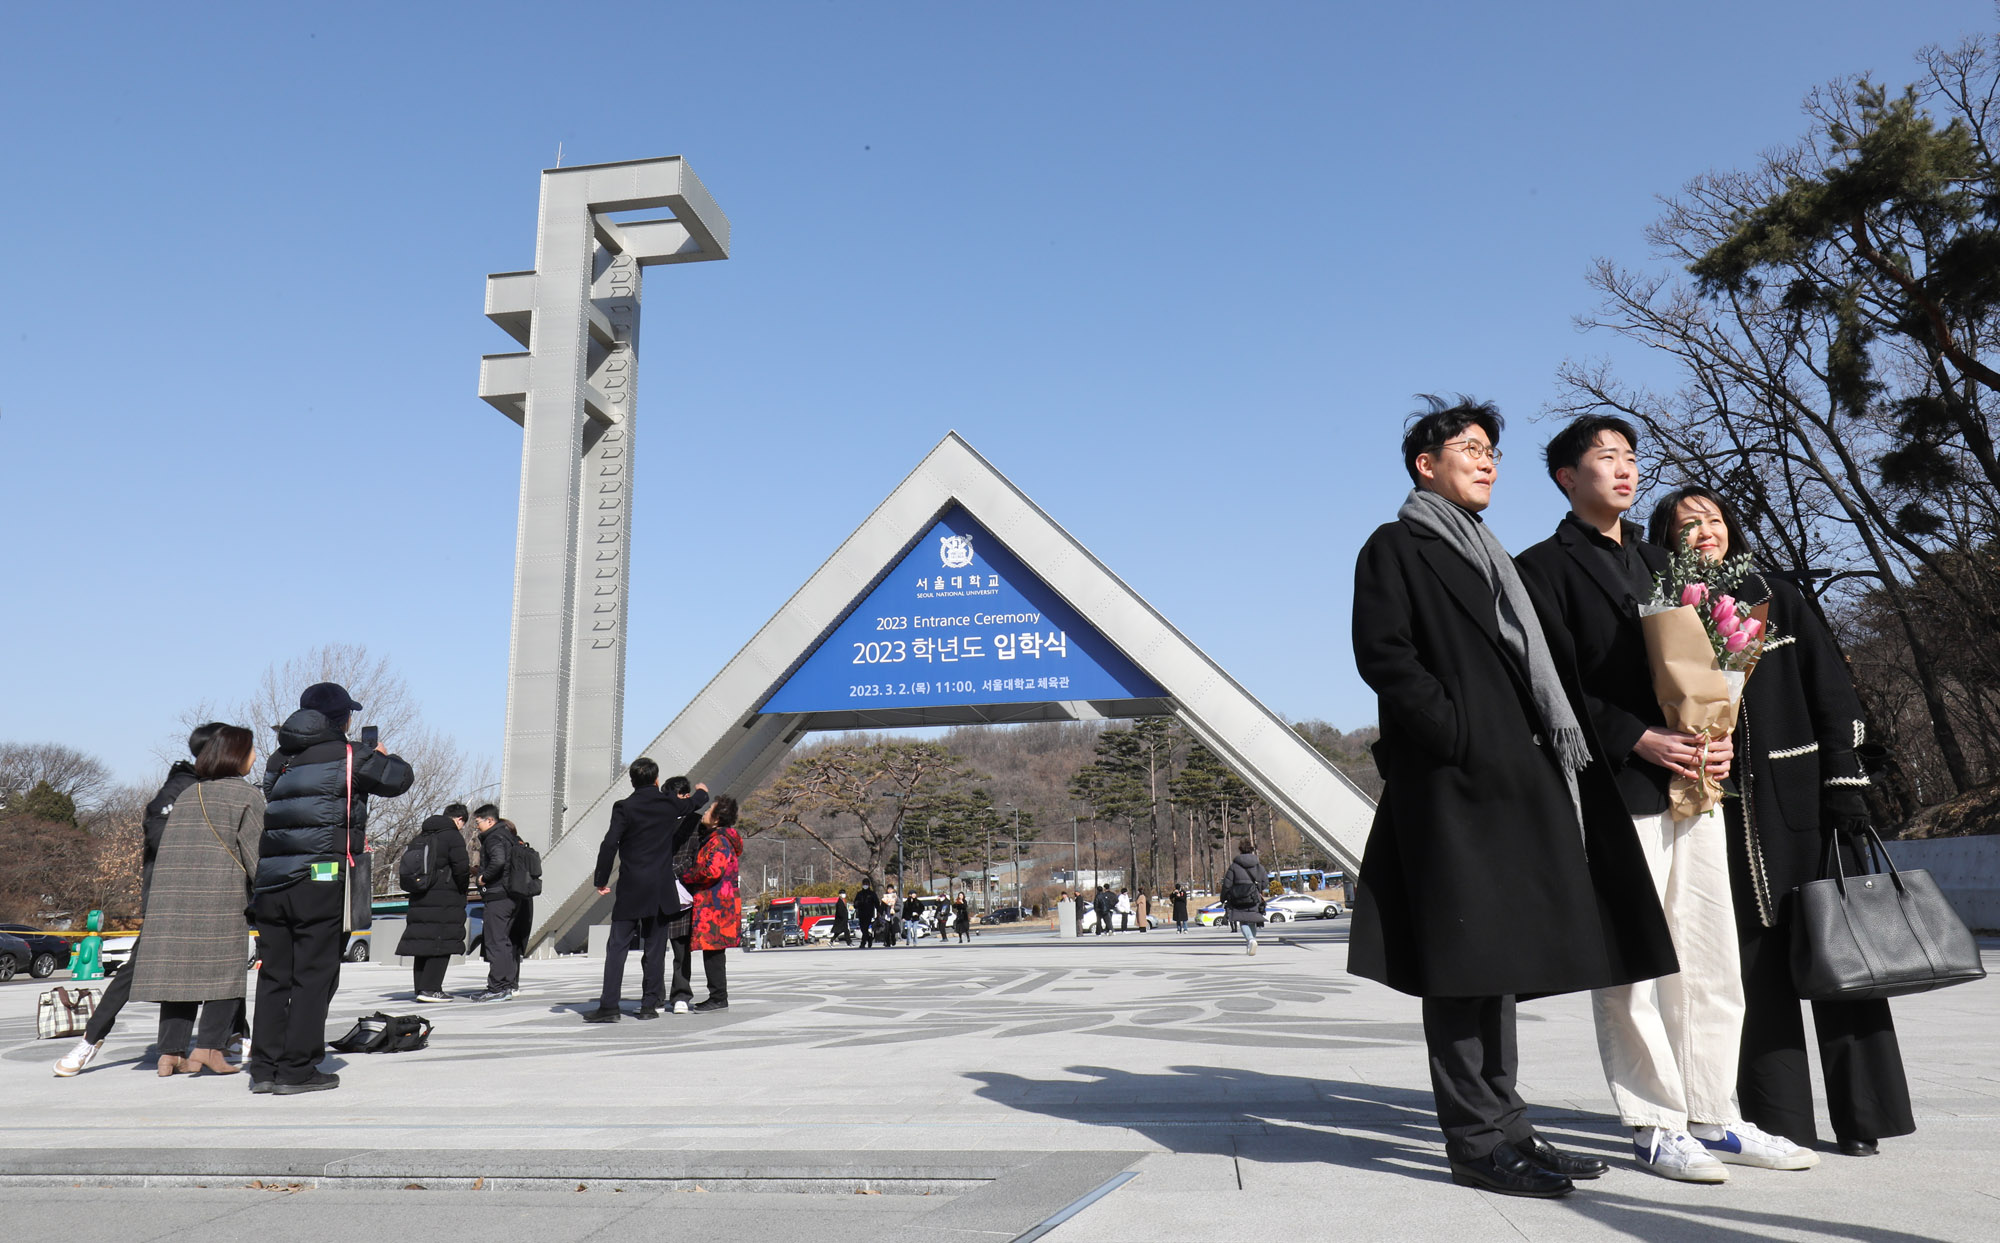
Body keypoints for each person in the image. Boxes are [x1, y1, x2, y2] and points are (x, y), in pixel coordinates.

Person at [1352, 396, 1680, 1198]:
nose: (1487, 461)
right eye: (1470, 447)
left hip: (1513, 786)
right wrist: (1458, 732)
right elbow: (1384, 654)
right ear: (1425, 464)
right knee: (1459, 966)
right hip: (1453, 787)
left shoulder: (1491, 553)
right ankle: (1475, 1140)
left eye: (1492, 450)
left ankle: (1510, 1126)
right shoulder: (1397, 545)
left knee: (1493, 962)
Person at [1518, 415, 1816, 1180]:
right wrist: (1634, 736)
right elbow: (1547, 686)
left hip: (1696, 781)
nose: (1625, 469)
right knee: (1633, 961)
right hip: (1619, 787)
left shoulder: (1665, 563)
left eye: (1630, 456)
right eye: (1606, 457)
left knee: (1710, 951)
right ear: (1567, 477)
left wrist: (1716, 731)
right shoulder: (1541, 569)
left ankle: (1715, 1112)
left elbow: (1712, 661)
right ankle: (1654, 1122)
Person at [1649, 485, 1914, 1158]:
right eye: (1686, 525)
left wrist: (1845, 786)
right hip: (1720, 812)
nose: (1703, 532)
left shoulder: (1779, 596)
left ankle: (1864, 1116)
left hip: (1802, 808)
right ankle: (1780, 1119)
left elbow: (1834, 693)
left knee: (1841, 956)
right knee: (1750, 971)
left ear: (1731, 529)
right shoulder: (1662, 611)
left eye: (1712, 519)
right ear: (1666, 541)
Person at [251, 683, 413, 1095]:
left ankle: (264, 1067)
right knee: (313, 974)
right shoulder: (350, 754)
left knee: (275, 975)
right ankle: (297, 1069)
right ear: (343, 718)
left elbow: (275, 798)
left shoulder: (279, 757)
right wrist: (383, 755)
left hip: (271, 878)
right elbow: (399, 779)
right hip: (320, 875)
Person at [56, 722, 225, 1077]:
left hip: (208, 895)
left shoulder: (216, 788)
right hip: (170, 898)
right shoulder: (180, 788)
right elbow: (159, 835)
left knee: (213, 971)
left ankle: (185, 1049)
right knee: (135, 971)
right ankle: (90, 1040)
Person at [131, 726, 264, 1077]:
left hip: (173, 897)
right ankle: (209, 1049)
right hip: (221, 895)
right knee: (224, 973)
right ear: (237, 755)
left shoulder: (190, 794)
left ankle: (170, 1053)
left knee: (180, 976)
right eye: (251, 750)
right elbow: (256, 856)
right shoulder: (246, 795)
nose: (254, 756)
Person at [584, 759, 707, 1022]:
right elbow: (694, 803)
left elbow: (610, 844)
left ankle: (609, 1007)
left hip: (631, 886)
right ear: (656, 780)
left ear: (632, 781)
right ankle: (649, 1006)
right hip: (660, 886)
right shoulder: (668, 805)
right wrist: (701, 791)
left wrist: (601, 879)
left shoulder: (624, 807)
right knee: (655, 947)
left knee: (617, 947)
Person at [396, 805, 471, 1003]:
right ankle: (432, 989)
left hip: (420, 895)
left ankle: (421, 988)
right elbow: (461, 868)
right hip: (444, 897)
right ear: (459, 819)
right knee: (441, 942)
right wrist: (462, 889)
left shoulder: (421, 836)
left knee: (423, 944)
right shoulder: (452, 836)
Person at [681, 795, 742, 1011]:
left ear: (716, 819)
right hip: (719, 904)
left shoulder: (719, 841)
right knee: (713, 952)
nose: (705, 813)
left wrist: (688, 875)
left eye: (709, 810)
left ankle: (718, 997)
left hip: (716, 905)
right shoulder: (720, 838)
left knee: (714, 952)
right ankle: (717, 995)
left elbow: (712, 870)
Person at [659, 776, 710, 1012]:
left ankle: (681, 995)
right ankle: (654, 996)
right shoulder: (657, 819)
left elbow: (699, 857)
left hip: (683, 892)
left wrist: (674, 872)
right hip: (657, 889)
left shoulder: (697, 822)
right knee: (653, 949)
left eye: (680, 795)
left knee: (681, 948)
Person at [471, 806, 528, 1001]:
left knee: (495, 942)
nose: (477, 827)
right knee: (504, 941)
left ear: (489, 821)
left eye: (478, 822)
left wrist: (483, 878)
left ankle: (497, 987)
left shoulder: (494, 837)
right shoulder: (508, 836)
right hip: (511, 895)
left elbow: (498, 861)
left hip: (498, 895)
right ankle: (507, 985)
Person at [1219, 841, 1267, 955]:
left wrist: (1223, 897)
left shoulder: (1234, 867)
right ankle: (1251, 942)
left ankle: (1250, 940)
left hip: (1238, 899)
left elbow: (1227, 884)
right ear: (1251, 850)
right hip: (1254, 897)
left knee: (1243, 922)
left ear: (1240, 850)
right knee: (1252, 921)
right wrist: (1257, 889)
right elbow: (1265, 882)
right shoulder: (1259, 866)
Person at [855, 881, 880, 949]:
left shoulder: (872, 894)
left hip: (869, 913)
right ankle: (869, 938)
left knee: (865, 928)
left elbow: (877, 903)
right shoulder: (859, 894)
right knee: (863, 929)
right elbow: (855, 903)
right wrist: (858, 903)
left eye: (866, 884)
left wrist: (878, 911)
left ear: (869, 885)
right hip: (861, 913)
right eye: (864, 884)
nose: (865, 885)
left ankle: (863, 943)